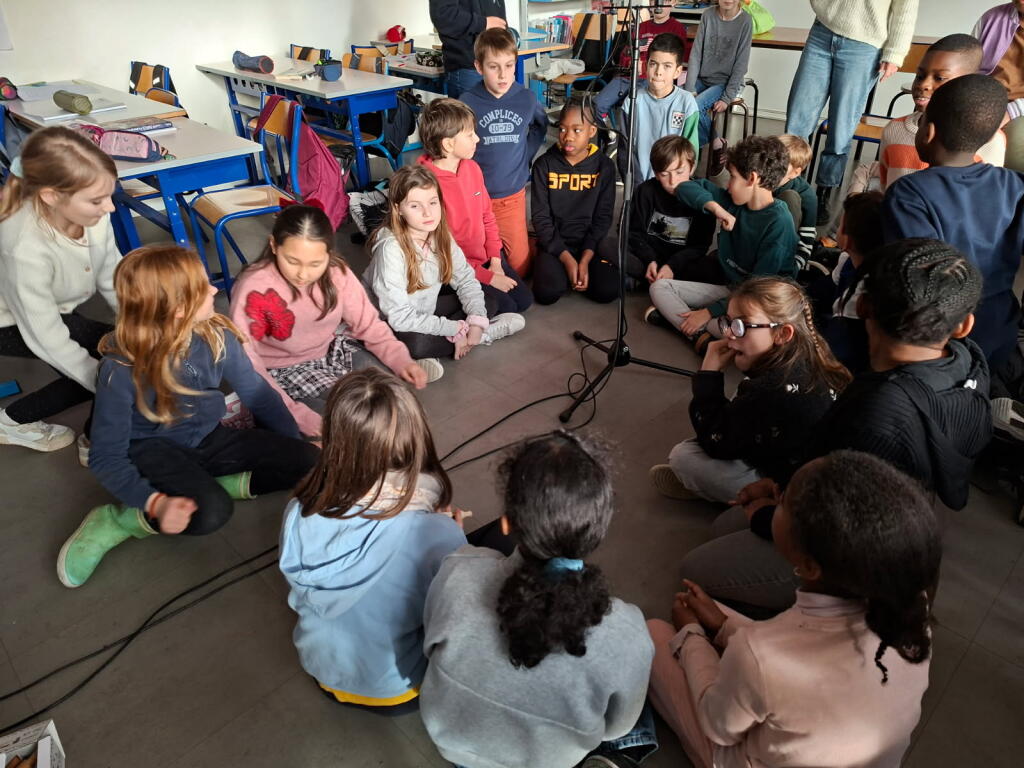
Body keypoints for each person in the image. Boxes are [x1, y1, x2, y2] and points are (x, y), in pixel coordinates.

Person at [678, 239, 991, 615]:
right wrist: (778, 487)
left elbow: (831, 528)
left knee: (694, 568)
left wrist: (765, 516)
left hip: (849, 559)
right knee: (723, 527)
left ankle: (818, 613)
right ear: (964, 326)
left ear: (863, 306)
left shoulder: (877, 412)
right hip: (885, 527)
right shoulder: (969, 364)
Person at [648, 451, 939, 768]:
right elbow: (796, 655)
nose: (777, 497)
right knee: (718, 613)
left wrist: (692, 637)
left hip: (741, 747)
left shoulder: (758, 653)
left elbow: (718, 727)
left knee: (655, 633)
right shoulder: (912, 610)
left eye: (784, 502)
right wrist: (723, 626)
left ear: (810, 566)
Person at [56, 246, 318, 589]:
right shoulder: (119, 370)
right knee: (212, 514)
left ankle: (215, 485)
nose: (213, 289)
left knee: (310, 461)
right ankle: (121, 520)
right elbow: (106, 457)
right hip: (152, 449)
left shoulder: (216, 334)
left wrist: (291, 445)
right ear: (179, 309)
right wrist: (155, 503)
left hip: (209, 438)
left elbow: (258, 394)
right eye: (203, 286)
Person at [279, 369, 512, 713]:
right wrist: (452, 535)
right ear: (416, 436)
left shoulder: (300, 509)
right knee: (506, 538)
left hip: (322, 671)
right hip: (396, 691)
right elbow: (449, 606)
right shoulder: (435, 533)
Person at [419, 432, 655, 768]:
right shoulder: (628, 632)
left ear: (506, 524)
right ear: (597, 532)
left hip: (455, 746)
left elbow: (430, 645)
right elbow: (617, 727)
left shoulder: (457, 571)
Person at [228, 204, 430, 438]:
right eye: (292, 261)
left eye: (315, 264)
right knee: (338, 429)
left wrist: (401, 360)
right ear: (274, 245)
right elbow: (246, 362)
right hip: (280, 371)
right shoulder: (253, 286)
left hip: (333, 352)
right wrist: (295, 413)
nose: (303, 274)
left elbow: (368, 325)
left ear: (329, 254)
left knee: (390, 401)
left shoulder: (337, 273)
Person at [649, 277, 849, 505]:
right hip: (806, 462)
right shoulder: (807, 354)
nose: (729, 334)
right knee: (740, 402)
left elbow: (716, 441)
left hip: (801, 494)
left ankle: (740, 496)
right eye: (729, 322)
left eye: (742, 326)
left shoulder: (769, 389)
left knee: (683, 457)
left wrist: (709, 374)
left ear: (782, 334)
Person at [883, 74, 1024, 373]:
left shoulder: (909, 193)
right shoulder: (1016, 185)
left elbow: (912, 279)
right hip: (1000, 328)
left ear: (928, 132)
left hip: (937, 339)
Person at [0, 126, 119, 457]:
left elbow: (113, 274)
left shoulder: (92, 212)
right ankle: (10, 422)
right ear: (51, 196)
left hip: (54, 306)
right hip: (7, 320)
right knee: (108, 371)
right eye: (97, 200)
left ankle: (98, 433)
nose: (110, 207)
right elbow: (47, 337)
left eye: (110, 195)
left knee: (118, 359)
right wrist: (110, 384)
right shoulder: (22, 245)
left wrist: (140, 324)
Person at [646, 135, 797, 351]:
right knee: (659, 287)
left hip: (761, 303)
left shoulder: (779, 222)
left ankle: (687, 324)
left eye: (732, 177)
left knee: (749, 333)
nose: (728, 185)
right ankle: (701, 336)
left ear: (752, 179)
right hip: (731, 291)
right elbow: (685, 188)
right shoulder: (730, 201)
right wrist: (716, 208)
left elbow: (758, 289)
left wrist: (708, 312)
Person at [364, 165, 525, 365]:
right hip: (388, 321)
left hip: (424, 311)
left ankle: (471, 334)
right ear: (398, 210)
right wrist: (454, 330)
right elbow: (399, 317)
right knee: (416, 345)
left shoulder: (441, 236)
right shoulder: (390, 249)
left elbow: (465, 279)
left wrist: (476, 320)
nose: (427, 213)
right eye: (415, 206)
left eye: (432, 202)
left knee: (488, 301)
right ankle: (483, 335)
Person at [785, 0, 921, 224]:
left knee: (841, 129)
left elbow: (906, 8)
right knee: (797, 122)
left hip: (865, 45)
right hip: (822, 30)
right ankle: (789, 185)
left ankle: (823, 193)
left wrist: (895, 53)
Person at [417, 98, 532, 315]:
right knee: (505, 307)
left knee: (523, 301)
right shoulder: (425, 185)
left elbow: (487, 216)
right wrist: (487, 277)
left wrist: (496, 260)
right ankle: (447, 305)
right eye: (470, 135)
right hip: (455, 269)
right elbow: (438, 252)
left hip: (485, 259)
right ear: (448, 144)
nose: (477, 139)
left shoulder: (472, 168)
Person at [460, 27, 548, 276]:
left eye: (509, 66)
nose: (503, 75)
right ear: (479, 67)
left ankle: (529, 245)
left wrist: (526, 156)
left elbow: (540, 126)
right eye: (493, 67)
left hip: (512, 197)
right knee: (478, 263)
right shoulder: (467, 101)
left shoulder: (526, 98)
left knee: (521, 268)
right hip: (477, 197)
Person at [878, 34, 1004, 191]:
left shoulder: (992, 141)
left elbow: (988, 197)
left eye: (939, 78)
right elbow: (885, 188)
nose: (924, 84)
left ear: (968, 82)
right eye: (920, 76)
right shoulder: (894, 130)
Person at [597, 135, 715, 289]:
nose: (673, 181)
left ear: (692, 167)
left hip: (679, 263)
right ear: (656, 173)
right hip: (646, 259)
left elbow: (700, 246)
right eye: (665, 174)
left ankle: (643, 284)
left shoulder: (704, 198)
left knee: (712, 268)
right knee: (606, 245)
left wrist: (671, 266)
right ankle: (659, 282)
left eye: (680, 172)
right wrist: (650, 260)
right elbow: (631, 232)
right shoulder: (645, 191)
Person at [531, 101, 618, 305]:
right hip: (555, 243)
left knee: (608, 290)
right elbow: (541, 218)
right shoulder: (544, 165)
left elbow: (603, 217)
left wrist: (585, 259)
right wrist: (567, 260)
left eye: (577, 130)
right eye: (562, 129)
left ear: (592, 131)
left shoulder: (604, 166)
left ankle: (579, 269)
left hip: (591, 244)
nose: (568, 136)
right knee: (546, 293)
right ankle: (561, 269)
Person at [619, 33, 700, 185]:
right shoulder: (632, 101)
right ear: (645, 66)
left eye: (667, 66)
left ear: (677, 71)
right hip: (640, 186)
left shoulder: (687, 103)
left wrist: (675, 184)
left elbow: (691, 155)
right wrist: (639, 188)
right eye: (653, 64)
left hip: (673, 187)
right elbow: (625, 153)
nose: (658, 72)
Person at [684, 0, 753, 168]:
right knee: (679, 99)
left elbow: (741, 64)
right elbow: (696, 54)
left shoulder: (745, 21)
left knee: (695, 106)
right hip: (703, 79)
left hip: (725, 82)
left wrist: (727, 97)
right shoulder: (708, 15)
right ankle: (710, 143)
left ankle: (701, 148)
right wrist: (689, 88)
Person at [821, 190, 885, 374]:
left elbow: (836, 352)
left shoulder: (861, 295)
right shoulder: (849, 263)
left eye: (841, 224)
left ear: (847, 241)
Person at [593, 1, 690, 120]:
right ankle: (606, 131)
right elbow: (625, 55)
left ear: (672, 2)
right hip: (627, 77)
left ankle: (629, 131)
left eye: (663, 1)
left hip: (652, 80)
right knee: (597, 105)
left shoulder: (677, 28)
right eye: (654, 1)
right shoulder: (641, 27)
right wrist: (631, 63)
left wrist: (644, 66)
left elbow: (676, 61)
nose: (658, 4)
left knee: (634, 109)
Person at [429, 0, 507, 98]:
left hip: (497, 61)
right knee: (469, 108)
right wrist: (483, 23)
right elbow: (442, 15)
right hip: (469, 67)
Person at [973, 1, 1024, 119]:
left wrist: (1009, 112)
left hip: (1019, 111)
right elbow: (966, 67)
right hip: (982, 101)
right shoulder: (990, 18)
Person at [773, 134, 817, 267]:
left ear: (795, 173)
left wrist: (794, 267)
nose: (772, 167)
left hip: (782, 251)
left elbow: (806, 240)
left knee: (790, 198)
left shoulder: (807, 196)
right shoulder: (759, 177)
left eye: (781, 166)